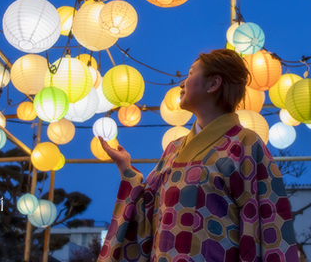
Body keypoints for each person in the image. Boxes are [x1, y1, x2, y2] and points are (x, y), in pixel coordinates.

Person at [98, 48, 298, 262]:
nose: (182, 83)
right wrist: (126, 169)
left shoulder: (245, 144)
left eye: (191, 73)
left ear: (213, 84)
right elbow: (146, 210)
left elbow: (268, 223)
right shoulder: (173, 149)